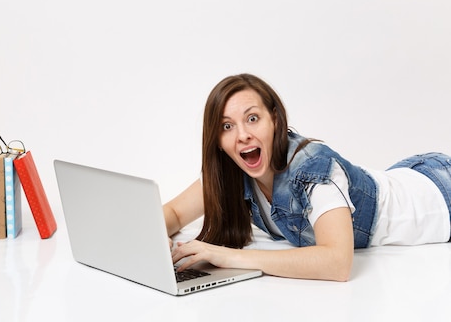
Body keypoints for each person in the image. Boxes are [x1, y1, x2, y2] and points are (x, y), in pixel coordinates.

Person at [164, 73, 451, 282]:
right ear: (217, 139)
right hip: (403, 175)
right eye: (227, 126)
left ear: (275, 120)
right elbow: (175, 212)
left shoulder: (314, 170)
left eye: (252, 118)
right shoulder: (231, 172)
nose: (242, 135)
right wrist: (157, 237)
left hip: (438, 198)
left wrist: (226, 257)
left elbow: (337, 262)